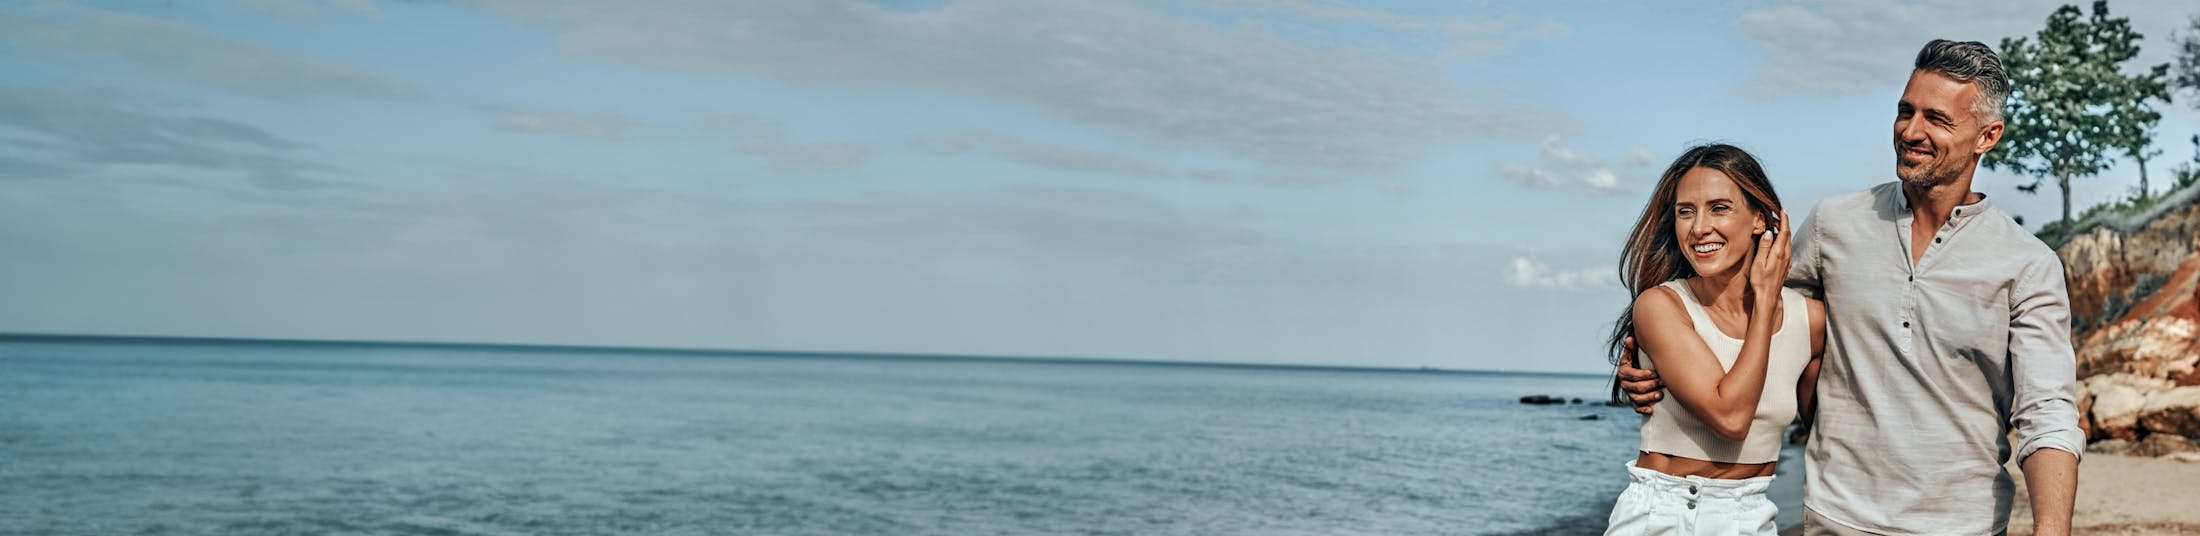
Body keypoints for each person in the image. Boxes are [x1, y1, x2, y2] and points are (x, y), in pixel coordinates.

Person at [1616, 39, 2082, 536]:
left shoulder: (2028, 263)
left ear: (1987, 136)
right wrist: (1647, 367)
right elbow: (1749, 313)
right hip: (1835, 517)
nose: (1911, 131)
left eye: (1937, 119)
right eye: (1906, 111)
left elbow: (2047, 413)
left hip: (1962, 523)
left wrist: (2050, 531)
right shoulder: (1836, 223)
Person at [1602, 143, 1826, 535]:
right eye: (1685, 212)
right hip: (1664, 514)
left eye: (1719, 208)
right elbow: (1731, 417)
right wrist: (1766, 305)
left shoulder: (1809, 322)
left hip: (1750, 514)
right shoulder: (1660, 306)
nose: (1699, 227)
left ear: (1761, 219)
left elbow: (1833, 435)